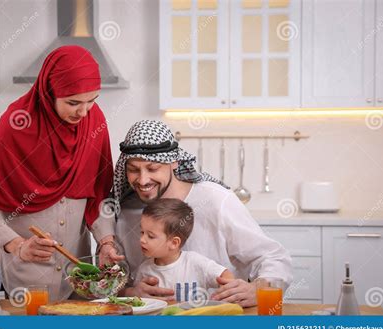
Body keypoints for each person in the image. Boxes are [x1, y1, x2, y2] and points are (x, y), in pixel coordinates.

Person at [0, 46, 121, 301]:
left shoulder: (93, 122)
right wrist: (17, 246)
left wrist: (106, 242)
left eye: (92, 100)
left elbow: (99, 195)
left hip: (79, 281)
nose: (83, 112)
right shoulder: (16, 123)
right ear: (49, 92)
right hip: (26, 282)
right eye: (73, 102)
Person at [113, 120, 292, 308]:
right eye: (133, 170)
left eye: (152, 168)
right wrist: (129, 292)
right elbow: (113, 280)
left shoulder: (215, 199)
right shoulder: (125, 213)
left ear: (174, 162)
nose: (142, 180)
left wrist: (257, 288)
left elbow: (274, 258)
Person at [134, 198, 235, 302]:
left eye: (150, 236)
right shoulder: (144, 270)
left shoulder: (194, 262)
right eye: (142, 232)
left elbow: (225, 274)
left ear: (174, 243)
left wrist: (227, 292)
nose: (142, 240)